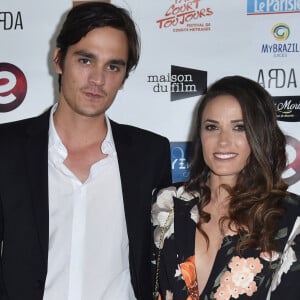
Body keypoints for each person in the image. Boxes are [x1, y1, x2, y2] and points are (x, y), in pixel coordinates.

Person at [0, 2, 171, 300]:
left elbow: (159, 261)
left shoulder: (150, 154)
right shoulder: (7, 148)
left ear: (124, 77)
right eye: (85, 60)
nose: (97, 79)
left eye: (113, 66)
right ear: (58, 59)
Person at [151, 75, 300, 300]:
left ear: (260, 135)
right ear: (200, 135)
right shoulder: (166, 202)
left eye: (239, 128)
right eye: (212, 127)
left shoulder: (289, 217)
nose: (223, 141)